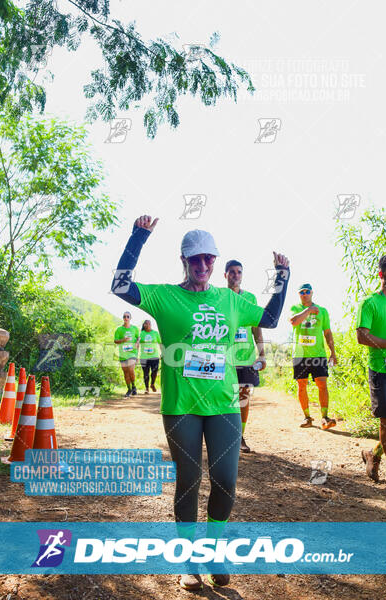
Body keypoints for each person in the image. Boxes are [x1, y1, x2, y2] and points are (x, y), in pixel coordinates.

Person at [111, 215, 290, 591]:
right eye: (196, 259)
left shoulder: (229, 299)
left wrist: (281, 277)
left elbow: (271, 318)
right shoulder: (164, 296)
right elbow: (120, 284)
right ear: (184, 261)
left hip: (224, 403)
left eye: (210, 259)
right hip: (181, 406)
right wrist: (138, 237)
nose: (204, 266)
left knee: (225, 482)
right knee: (189, 481)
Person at [224, 259, 266, 453]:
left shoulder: (250, 298)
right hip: (224, 358)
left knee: (242, 397)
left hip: (246, 358)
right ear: (225, 275)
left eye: (239, 272)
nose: (235, 275)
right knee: (225, 397)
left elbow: (256, 327)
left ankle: (239, 436)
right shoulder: (219, 297)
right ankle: (223, 436)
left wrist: (262, 353)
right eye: (231, 272)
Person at [357, 255, 386, 482]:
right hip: (380, 369)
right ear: (381, 274)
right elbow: (362, 336)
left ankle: (372, 454)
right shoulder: (370, 303)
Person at [289, 284, 337, 429]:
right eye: (301, 292)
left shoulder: (322, 311)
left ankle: (325, 417)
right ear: (299, 294)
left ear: (312, 293)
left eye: (307, 291)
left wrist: (333, 352)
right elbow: (294, 321)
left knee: (322, 384)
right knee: (302, 385)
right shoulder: (295, 308)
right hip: (300, 355)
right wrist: (309, 310)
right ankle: (307, 417)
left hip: (318, 354)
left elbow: (327, 333)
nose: (304, 294)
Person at [114, 312, 139, 397]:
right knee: (125, 373)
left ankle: (134, 386)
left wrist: (137, 343)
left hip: (132, 353)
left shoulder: (135, 328)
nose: (126, 318)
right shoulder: (119, 329)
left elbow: (138, 337)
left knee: (131, 369)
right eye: (124, 316)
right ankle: (129, 389)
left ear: (130, 318)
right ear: (123, 318)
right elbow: (115, 341)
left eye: (128, 316)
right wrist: (123, 340)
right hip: (123, 354)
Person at [140, 319, 161, 393]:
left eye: (149, 324)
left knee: (154, 371)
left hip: (154, 356)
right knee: (145, 373)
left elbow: (160, 343)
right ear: (144, 325)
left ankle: (152, 384)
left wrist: (162, 352)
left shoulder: (155, 333)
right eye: (146, 324)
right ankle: (146, 388)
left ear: (151, 325)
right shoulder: (141, 333)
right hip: (144, 356)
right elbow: (137, 343)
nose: (147, 325)